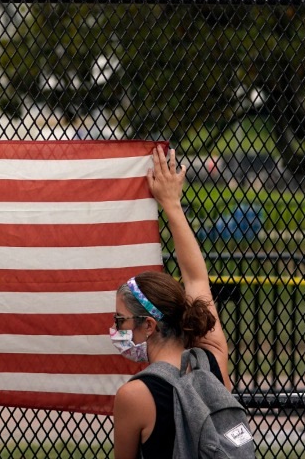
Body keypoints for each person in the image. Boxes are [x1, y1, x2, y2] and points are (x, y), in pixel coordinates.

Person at [111, 147, 232, 459]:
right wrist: (171, 203)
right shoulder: (213, 363)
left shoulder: (134, 396)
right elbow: (196, 278)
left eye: (120, 321)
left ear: (149, 325)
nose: (115, 330)